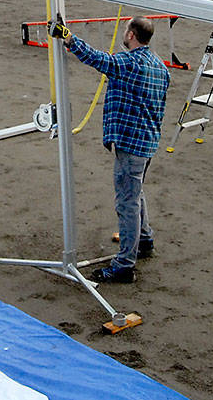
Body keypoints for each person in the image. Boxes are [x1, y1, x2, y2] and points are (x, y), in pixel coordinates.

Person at [55, 15, 170, 284]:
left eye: (126, 29)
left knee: (127, 202)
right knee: (136, 191)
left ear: (131, 35)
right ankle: (144, 240)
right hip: (148, 141)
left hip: (131, 144)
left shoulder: (129, 63)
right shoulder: (160, 67)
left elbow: (98, 59)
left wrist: (68, 38)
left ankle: (124, 265)